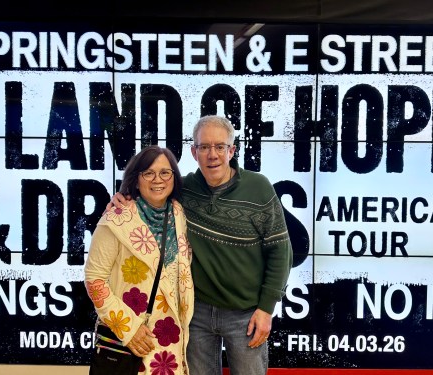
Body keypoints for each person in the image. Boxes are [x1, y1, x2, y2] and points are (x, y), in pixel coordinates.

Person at [109, 115, 293, 375]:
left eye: (220, 146)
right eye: (204, 147)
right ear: (194, 152)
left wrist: (266, 309)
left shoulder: (259, 188)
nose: (212, 154)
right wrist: (123, 196)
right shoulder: (183, 190)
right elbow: (150, 191)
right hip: (196, 313)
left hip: (245, 314)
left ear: (232, 150)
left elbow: (280, 251)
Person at [85, 145, 194, 375]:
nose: (158, 179)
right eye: (148, 173)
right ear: (136, 179)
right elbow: (95, 280)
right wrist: (128, 328)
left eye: (165, 172)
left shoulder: (179, 214)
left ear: (174, 177)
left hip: (170, 346)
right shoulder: (115, 219)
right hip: (131, 340)